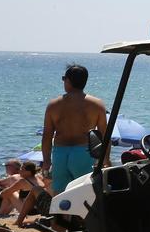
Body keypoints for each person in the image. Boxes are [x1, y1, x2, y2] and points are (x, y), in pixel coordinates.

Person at [42, 64, 108, 194]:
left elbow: (47, 136)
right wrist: (105, 159)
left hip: (60, 153)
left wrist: (46, 161)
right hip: (83, 152)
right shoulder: (97, 104)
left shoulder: (53, 105)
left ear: (68, 81)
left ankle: (62, 215)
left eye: (63, 79)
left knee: (60, 194)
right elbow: (104, 135)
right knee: (84, 192)